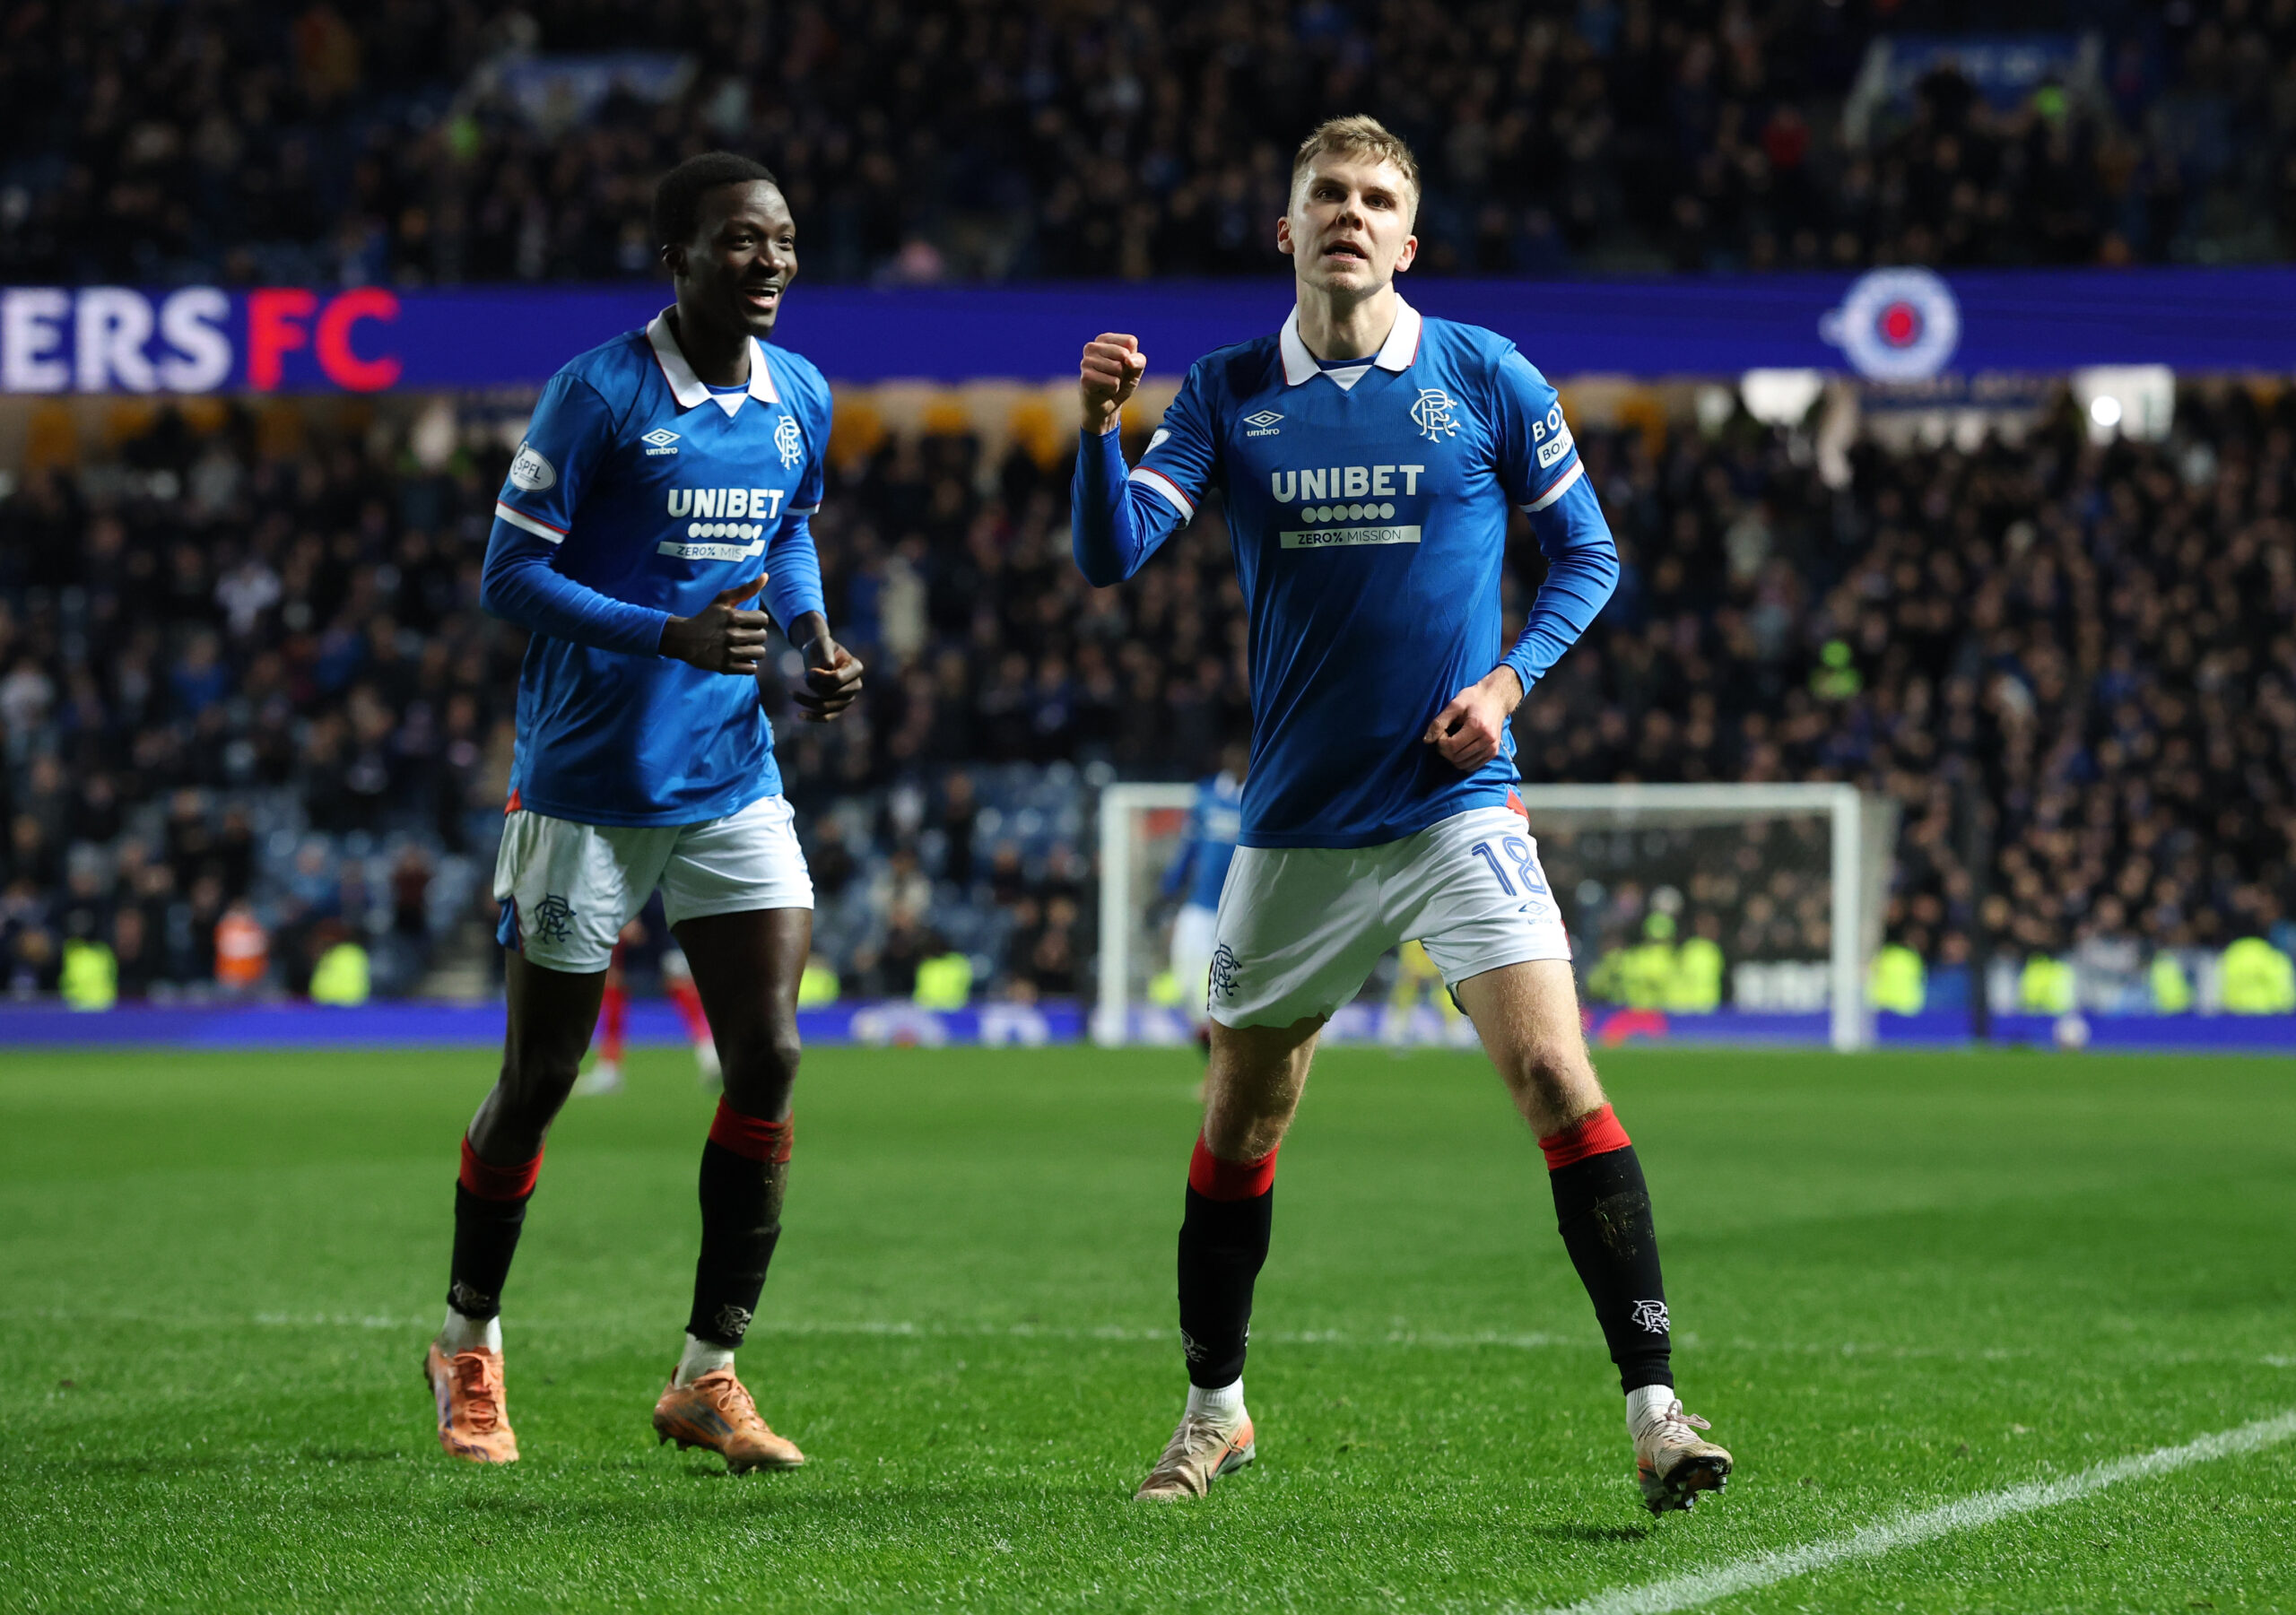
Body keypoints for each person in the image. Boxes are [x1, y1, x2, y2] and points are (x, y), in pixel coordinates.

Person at [1070, 116, 1731, 1514]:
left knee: (1557, 1076)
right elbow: (1113, 552)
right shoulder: (1231, 391)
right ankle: (1214, 1413)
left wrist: (1507, 682)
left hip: (1454, 804)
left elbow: (1590, 553)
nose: (1351, 216)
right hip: (1299, 823)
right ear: (1286, 227)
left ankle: (1659, 1414)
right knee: (1243, 1121)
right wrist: (1095, 434)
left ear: (1410, 239)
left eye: (1378, 199)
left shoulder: (1483, 373)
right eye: (1327, 195)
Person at [424, 152, 864, 1473]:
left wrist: (812, 635)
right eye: (741, 240)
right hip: (587, 786)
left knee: (771, 1055)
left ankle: (707, 1371)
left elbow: (787, 524)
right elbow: (510, 573)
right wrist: (666, 634)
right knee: (542, 1078)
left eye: (784, 239)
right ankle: (466, 1339)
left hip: (730, 775)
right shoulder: (599, 393)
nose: (772, 262)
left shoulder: (801, 394)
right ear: (674, 254)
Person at [1161, 738, 1248, 1043]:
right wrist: (1169, 887)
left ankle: (1227, 1062)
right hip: (1200, 907)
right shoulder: (1206, 795)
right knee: (1187, 984)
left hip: (1242, 911)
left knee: (1235, 992)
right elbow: (1189, 846)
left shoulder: (1258, 799)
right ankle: (1213, 1056)